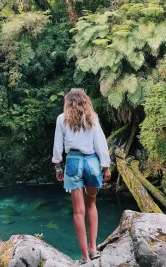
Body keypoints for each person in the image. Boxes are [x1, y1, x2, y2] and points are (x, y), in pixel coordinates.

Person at [52, 88, 111, 264]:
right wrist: (106, 167)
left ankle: (84, 256)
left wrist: (57, 166)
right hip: (92, 163)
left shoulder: (62, 119)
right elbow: (100, 142)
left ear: (67, 102)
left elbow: (58, 145)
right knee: (91, 205)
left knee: (78, 212)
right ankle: (94, 249)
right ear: (85, 100)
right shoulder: (92, 118)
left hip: (72, 162)